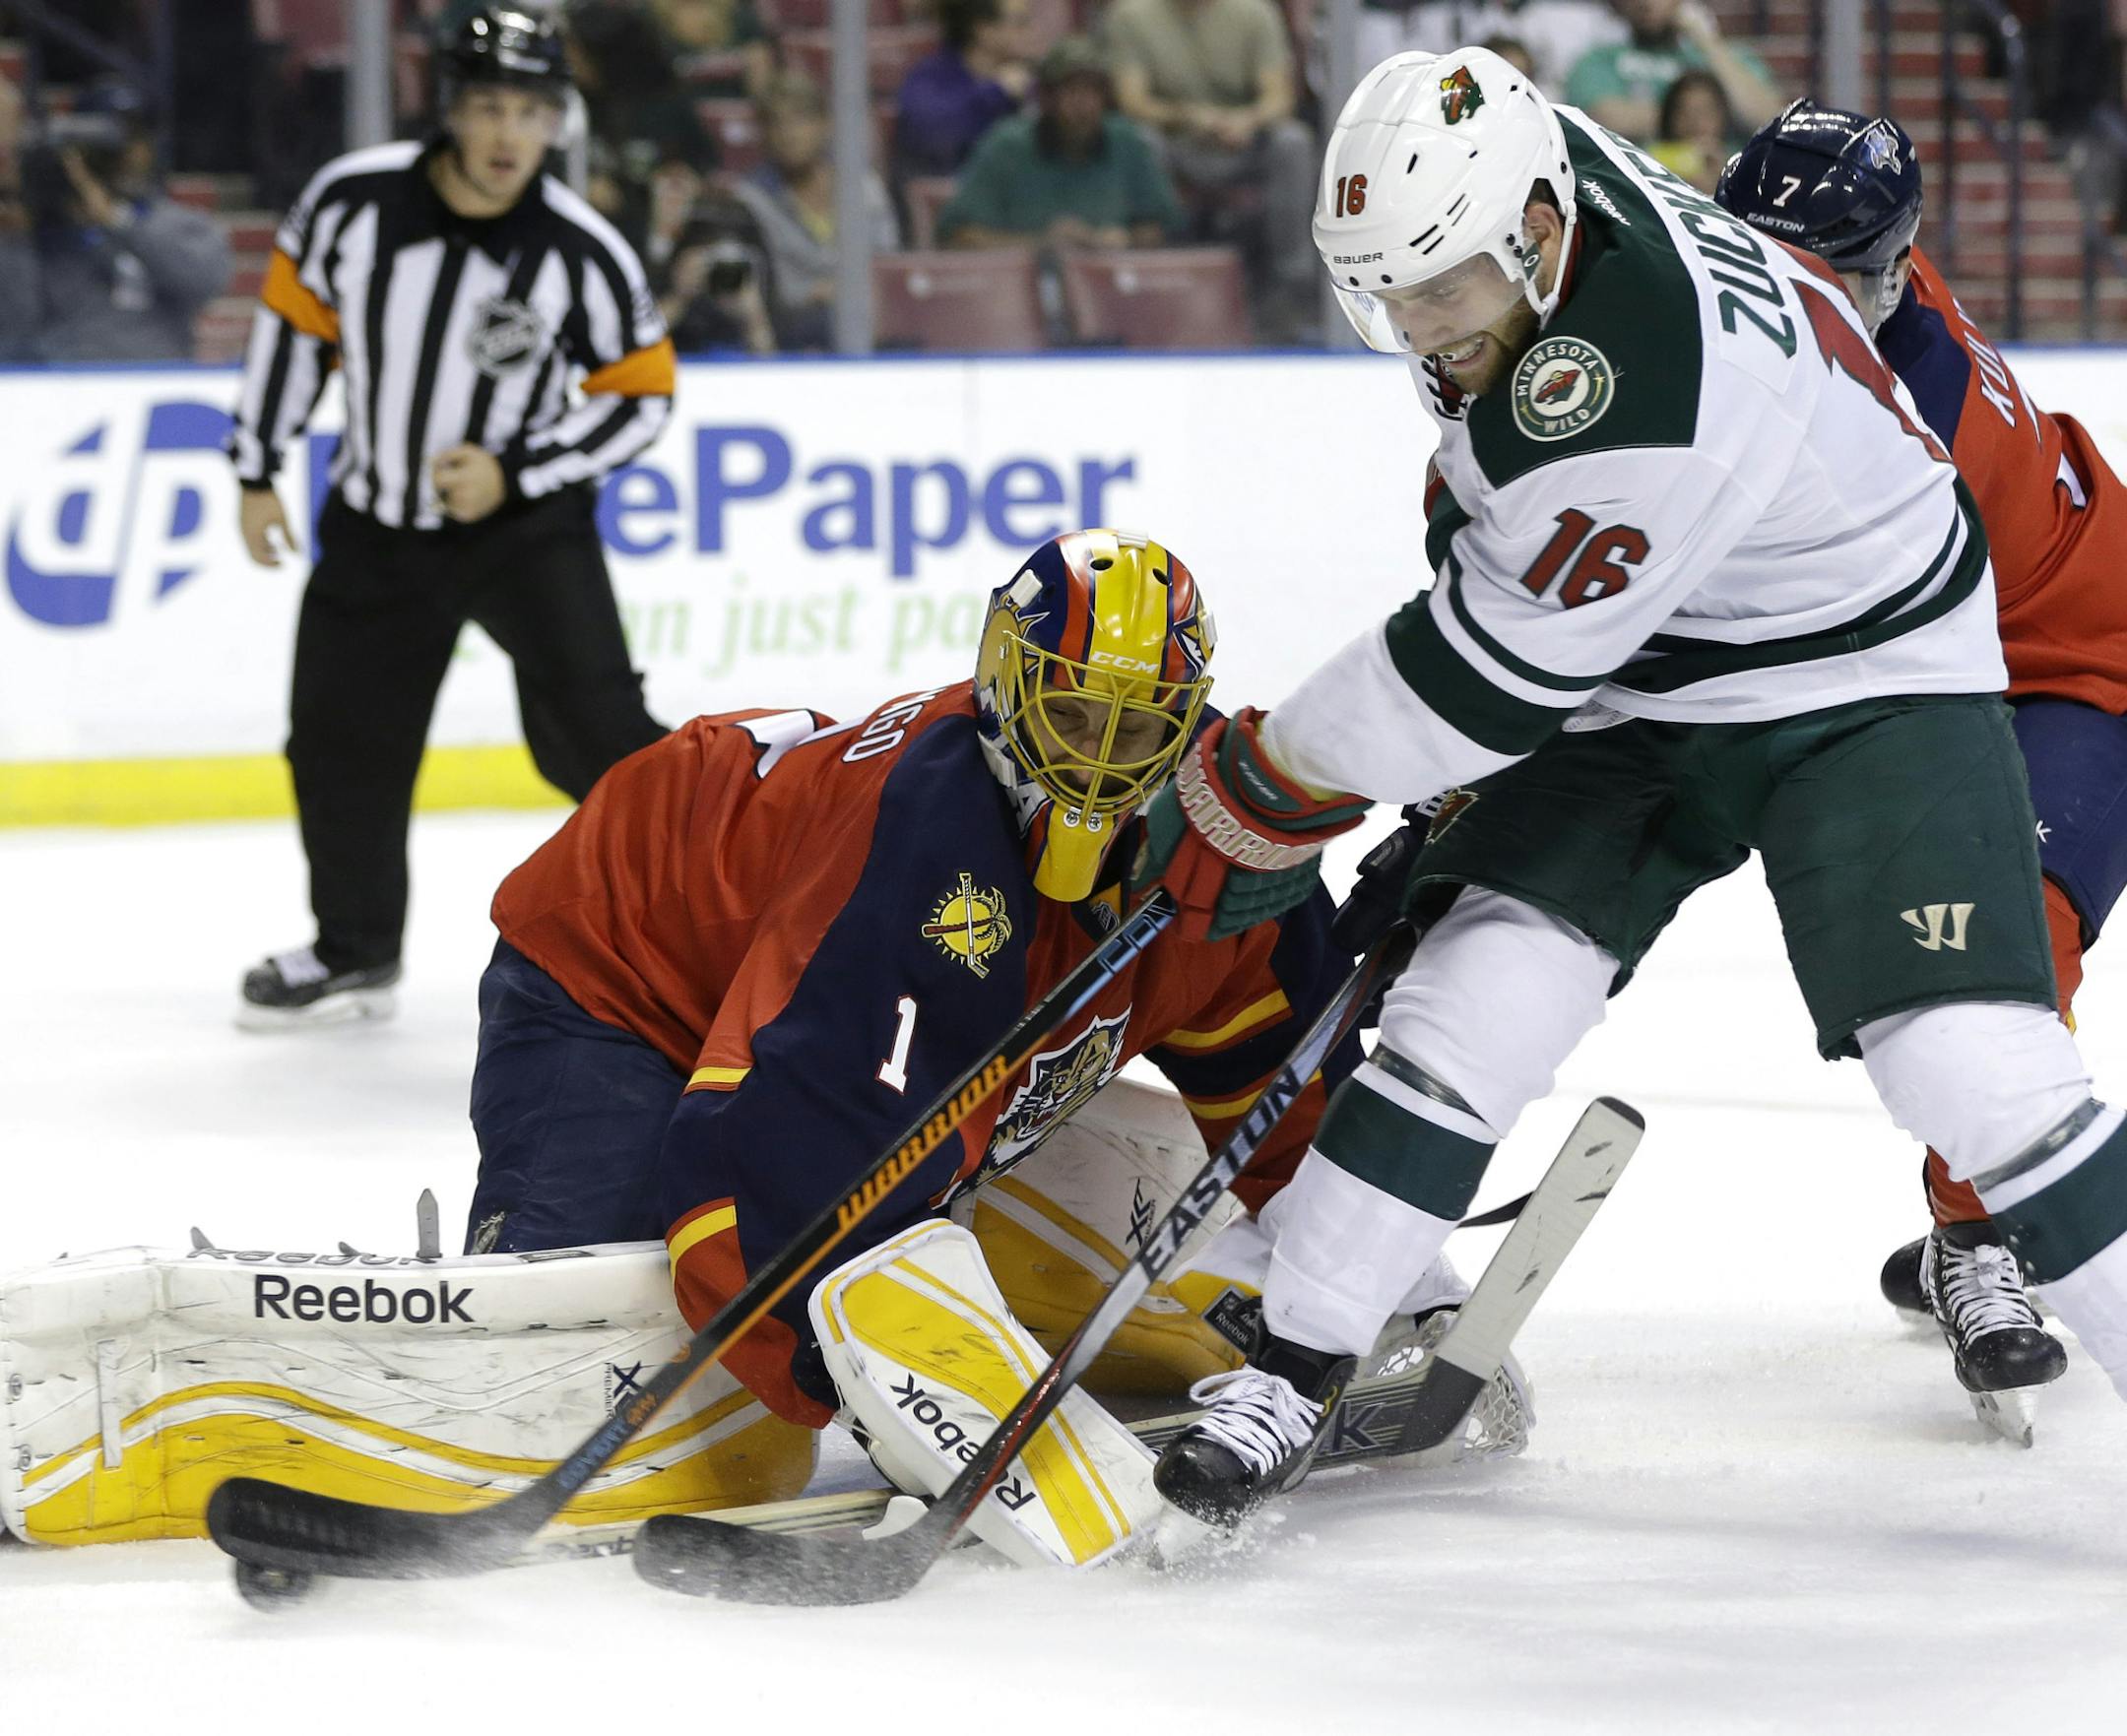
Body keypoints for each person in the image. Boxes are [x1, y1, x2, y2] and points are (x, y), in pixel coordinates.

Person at [1128, 46, 2127, 1526]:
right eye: (1390, 294)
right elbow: (1518, 567)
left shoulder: (1650, 381)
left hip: (1870, 676)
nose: (1418, 326)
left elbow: (1472, 674)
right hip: (1656, 653)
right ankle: (1300, 1354)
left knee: (1968, 1057)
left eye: (1442, 290)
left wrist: (1263, 779)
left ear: (1533, 229)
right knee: (1475, 992)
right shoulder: (1547, 176)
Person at [467, 529, 1391, 1567]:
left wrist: (1365, 1277)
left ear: (1185, 725)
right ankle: (501, 1296)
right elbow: (770, 1158)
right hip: (628, 970)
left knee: (926, 1161)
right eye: (1072, 713)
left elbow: (1285, 1078)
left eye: (1134, 730)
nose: (1096, 756)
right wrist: (844, 1370)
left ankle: (1132, 1286)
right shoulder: (924, 840)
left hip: (803, 982)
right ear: (1006, 680)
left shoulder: (1225, 839)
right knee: (615, 1345)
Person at [1716, 101, 2127, 1426]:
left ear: (1889, 265)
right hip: (1977, 637)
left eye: (1818, 265)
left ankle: (1979, 1234)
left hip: (2079, 659)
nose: (1784, 286)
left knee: (2014, 944)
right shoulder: (1814, 297)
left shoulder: (1911, 424)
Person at [226, 9, 673, 1028]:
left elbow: (642, 391)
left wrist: (516, 471)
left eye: (531, 110)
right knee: (340, 744)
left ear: (557, 121)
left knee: (601, 740)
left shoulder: (578, 248)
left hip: (525, 531)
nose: (509, 134)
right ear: (449, 111)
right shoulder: (353, 203)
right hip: (379, 528)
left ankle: (698, 930)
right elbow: (294, 331)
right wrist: (257, 466)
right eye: (487, 108)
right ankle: (354, 950)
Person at [1102, 0, 1317, 338]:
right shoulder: (1131, 15)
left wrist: (1246, 120)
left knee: (1292, 141)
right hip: (1173, 142)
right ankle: (1153, 272)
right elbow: (1132, 102)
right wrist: (1189, 117)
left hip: (1242, 141)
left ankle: (1293, 283)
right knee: (1138, 140)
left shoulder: (1255, 13)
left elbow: (1279, 98)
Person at [2, 82, 230, 362]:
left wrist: (117, 219)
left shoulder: (176, 224)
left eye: (134, 137)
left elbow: (205, 281)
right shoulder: (42, 227)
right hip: (57, 386)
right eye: (105, 146)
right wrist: (20, 231)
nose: (128, 153)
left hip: (151, 384)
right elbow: (14, 326)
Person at [939, 37, 1184, 252]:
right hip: (1021, 291)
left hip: (1109, 289)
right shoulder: (1006, 146)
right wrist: (1040, 243)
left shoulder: (1126, 141)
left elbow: (1164, 227)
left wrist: (1125, 239)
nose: (1083, 104)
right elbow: (957, 238)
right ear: (1045, 98)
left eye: (1093, 91)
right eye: (1071, 90)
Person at [731, 72, 899, 353]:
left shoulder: (862, 186)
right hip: (793, 330)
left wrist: (850, 290)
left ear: (825, 124)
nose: (789, 134)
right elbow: (767, 291)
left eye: (800, 120)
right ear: (764, 134)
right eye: (777, 123)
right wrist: (822, 293)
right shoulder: (750, 201)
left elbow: (888, 262)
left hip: (870, 315)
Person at [1564, 0, 1779, 144]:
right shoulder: (1598, 60)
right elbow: (1605, 118)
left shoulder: (1728, 57)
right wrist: (1708, 116)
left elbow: (1769, 121)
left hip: (1720, 190)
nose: (1645, 3)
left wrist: (1704, 39)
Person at [893, 0, 1035, 181]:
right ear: (983, 29)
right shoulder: (930, 77)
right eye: (1020, 23)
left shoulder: (1028, 84)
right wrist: (996, 92)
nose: (1031, 32)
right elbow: (936, 135)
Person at [1650, 67, 1734, 193]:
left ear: (1722, 115)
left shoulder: (1739, 162)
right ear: (1670, 117)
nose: (1695, 123)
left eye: (1704, 112)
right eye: (1685, 112)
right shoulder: (1650, 158)